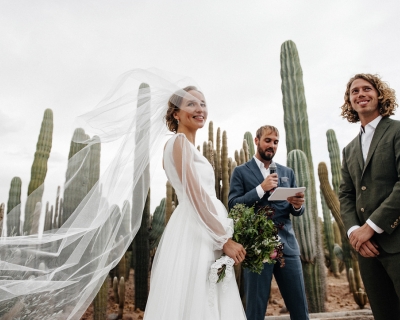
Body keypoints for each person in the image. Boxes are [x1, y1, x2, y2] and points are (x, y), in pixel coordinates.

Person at [143, 86, 247, 319]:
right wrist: (224, 239)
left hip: (203, 227)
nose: (200, 108)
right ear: (176, 114)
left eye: (203, 103)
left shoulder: (184, 146)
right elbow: (195, 196)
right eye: (191, 104)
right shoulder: (178, 143)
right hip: (198, 231)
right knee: (200, 298)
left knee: (206, 296)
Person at [228, 125, 309, 320]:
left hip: (287, 247)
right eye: (267, 140)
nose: (271, 145)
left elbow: (296, 211)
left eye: (275, 142)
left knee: (299, 308)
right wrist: (260, 189)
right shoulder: (241, 172)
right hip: (257, 249)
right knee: (255, 311)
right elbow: (233, 205)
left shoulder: (287, 172)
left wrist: (297, 205)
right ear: (256, 141)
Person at [339, 73, 400, 320]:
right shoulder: (349, 148)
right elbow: (345, 194)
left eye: (367, 89)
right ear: (350, 102)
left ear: (379, 95)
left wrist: (371, 227)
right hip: (367, 250)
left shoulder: (396, 131)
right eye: (355, 91)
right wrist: (355, 232)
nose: (361, 94)